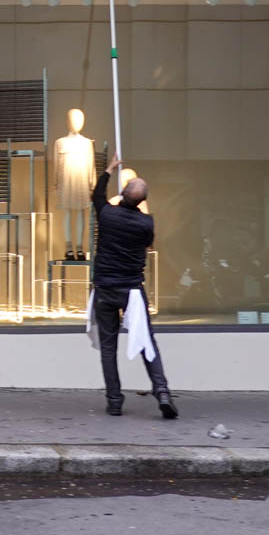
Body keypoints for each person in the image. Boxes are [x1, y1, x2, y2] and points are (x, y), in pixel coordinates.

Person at [91, 157, 176, 420]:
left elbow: (97, 195)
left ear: (122, 194)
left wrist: (109, 169)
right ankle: (162, 392)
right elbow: (148, 244)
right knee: (146, 342)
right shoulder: (146, 223)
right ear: (142, 200)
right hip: (131, 289)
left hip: (105, 287)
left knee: (108, 347)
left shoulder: (107, 215)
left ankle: (114, 400)